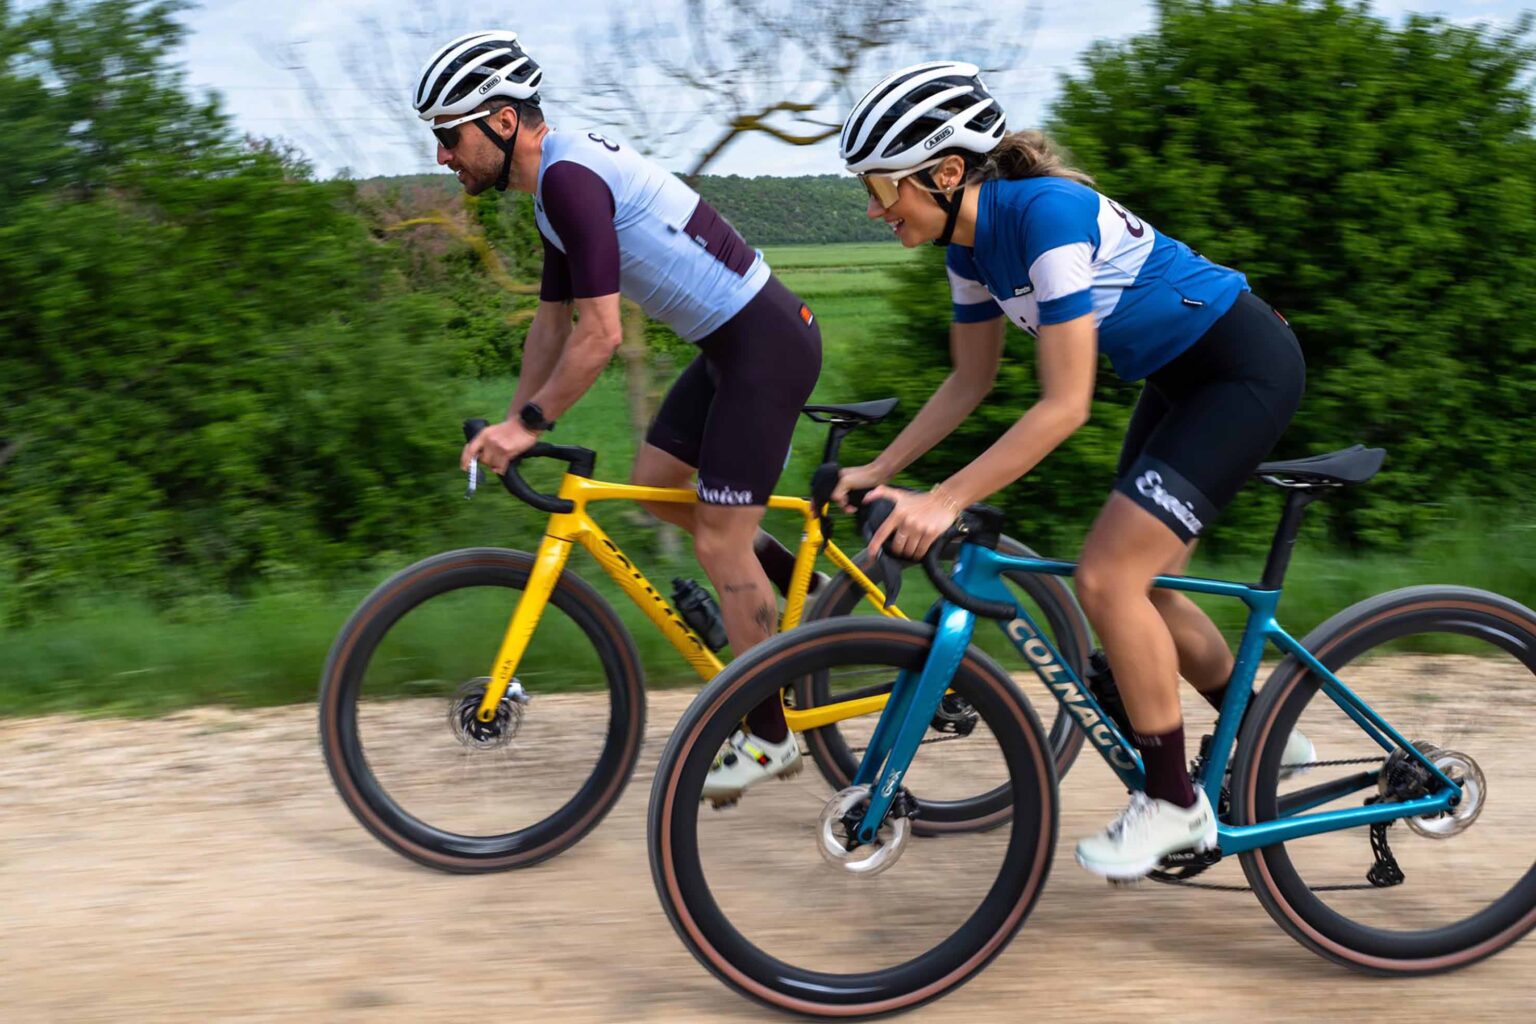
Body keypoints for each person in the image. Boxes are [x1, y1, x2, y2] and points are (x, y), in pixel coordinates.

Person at [827, 60, 1312, 879]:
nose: (876, 209)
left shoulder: (1046, 216)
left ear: (946, 175)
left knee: (1107, 581)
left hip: (1242, 369)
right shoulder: (968, 250)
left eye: (883, 189)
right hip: (1180, 378)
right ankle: (1264, 733)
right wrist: (881, 467)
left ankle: (1173, 806)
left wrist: (945, 499)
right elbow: (969, 382)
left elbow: (1065, 406)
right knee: (1146, 592)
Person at [416, 31, 820, 798]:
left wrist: (529, 424)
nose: (442, 156)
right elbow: (552, 325)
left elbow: (601, 336)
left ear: (502, 121)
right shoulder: (551, 191)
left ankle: (770, 739)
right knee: (655, 484)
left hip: (765, 343)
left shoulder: (569, 179)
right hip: (732, 345)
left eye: (448, 136)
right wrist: (512, 423)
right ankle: (806, 589)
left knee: (717, 536)